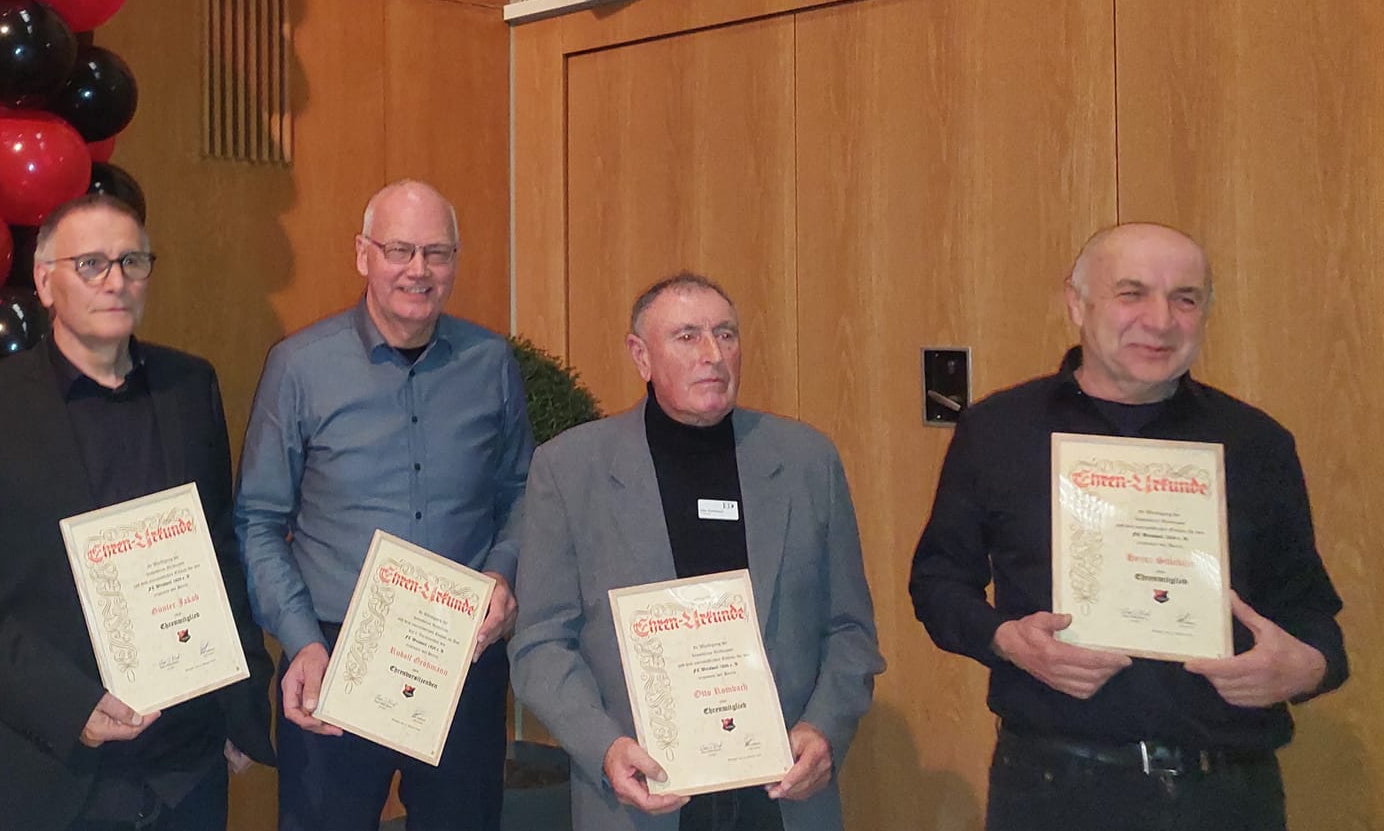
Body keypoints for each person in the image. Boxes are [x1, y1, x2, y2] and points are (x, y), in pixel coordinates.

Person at [909, 222, 1347, 831]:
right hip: (1052, 789)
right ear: (1077, 304)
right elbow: (937, 583)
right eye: (1132, 293)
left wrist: (1305, 668)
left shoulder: (1256, 444)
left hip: (1225, 794)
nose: (1160, 321)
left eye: (1185, 299)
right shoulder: (998, 431)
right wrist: (1005, 639)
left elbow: (1311, 612)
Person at [0, 195, 275, 831]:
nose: (115, 281)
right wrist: (64, 702)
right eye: (91, 264)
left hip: (184, 767)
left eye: (132, 261)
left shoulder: (190, 387)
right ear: (46, 282)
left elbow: (218, 549)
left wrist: (239, 697)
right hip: (52, 763)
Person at [509, 273, 882, 831]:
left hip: (781, 797)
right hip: (640, 797)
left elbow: (850, 630)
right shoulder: (569, 470)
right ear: (641, 356)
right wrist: (604, 746)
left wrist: (824, 728)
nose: (713, 354)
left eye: (726, 335)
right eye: (687, 337)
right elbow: (540, 645)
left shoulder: (808, 462)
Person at [234, 179, 534, 831]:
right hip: (333, 657)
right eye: (399, 249)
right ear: (363, 254)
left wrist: (503, 570)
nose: (418, 270)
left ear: (454, 261)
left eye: (437, 252)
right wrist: (301, 641)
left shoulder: (490, 363)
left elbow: (520, 492)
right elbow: (257, 521)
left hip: (463, 658)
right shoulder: (299, 366)